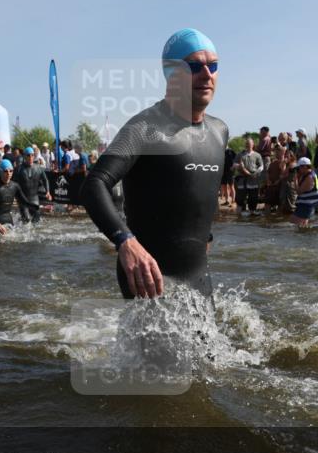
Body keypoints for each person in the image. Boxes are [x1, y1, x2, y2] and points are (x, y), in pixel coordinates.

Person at [82, 27, 228, 299]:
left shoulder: (219, 131)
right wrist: (125, 242)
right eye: (195, 66)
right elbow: (95, 184)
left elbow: (200, 192)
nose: (207, 74)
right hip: (147, 278)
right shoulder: (146, 128)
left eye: (213, 65)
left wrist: (205, 237)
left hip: (198, 276)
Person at [0, 159, 35, 235]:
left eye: (11, 171)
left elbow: (24, 202)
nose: (8, 173)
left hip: (8, 221)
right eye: (6, 171)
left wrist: (38, 207)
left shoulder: (15, 186)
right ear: (1, 171)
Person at [12, 146, 50, 223]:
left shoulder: (39, 168)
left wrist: (48, 191)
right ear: (24, 156)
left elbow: (45, 179)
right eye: (28, 155)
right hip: (23, 199)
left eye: (32, 155)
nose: (30, 157)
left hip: (34, 199)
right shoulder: (19, 169)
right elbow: (13, 183)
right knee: (26, 220)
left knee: (36, 221)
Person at [234, 137, 264, 217]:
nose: (248, 145)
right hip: (242, 179)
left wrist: (255, 173)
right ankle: (238, 215)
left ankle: (252, 213)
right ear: (245, 145)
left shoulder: (257, 155)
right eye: (247, 144)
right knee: (240, 199)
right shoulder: (240, 154)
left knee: (253, 198)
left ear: (253, 144)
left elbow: (261, 166)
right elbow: (234, 164)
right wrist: (239, 166)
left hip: (253, 180)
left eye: (250, 144)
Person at [292, 157, 318, 228]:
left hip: (308, 204)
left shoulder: (309, 177)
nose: (298, 170)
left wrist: (295, 181)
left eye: (299, 167)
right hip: (305, 203)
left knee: (299, 225)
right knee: (294, 222)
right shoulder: (306, 175)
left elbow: (299, 192)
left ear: (305, 167)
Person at [220, 141, 236, 207]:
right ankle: (226, 201)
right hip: (223, 171)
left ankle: (233, 201)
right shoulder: (220, 151)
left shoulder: (231, 151)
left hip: (230, 171)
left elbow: (237, 159)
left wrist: (233, 166)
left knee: (231, 186)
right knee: (224, 186)